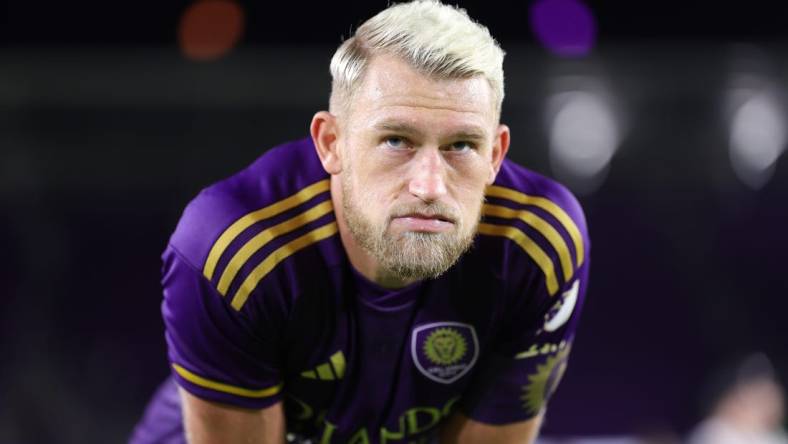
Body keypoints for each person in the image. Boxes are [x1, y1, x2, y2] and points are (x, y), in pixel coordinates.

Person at [131, 1, 590, 442]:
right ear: (331, 143)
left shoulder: (538, 243)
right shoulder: (234, 250)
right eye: (396, 140)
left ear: (495, 155)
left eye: (462, 146)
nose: (429, 186)